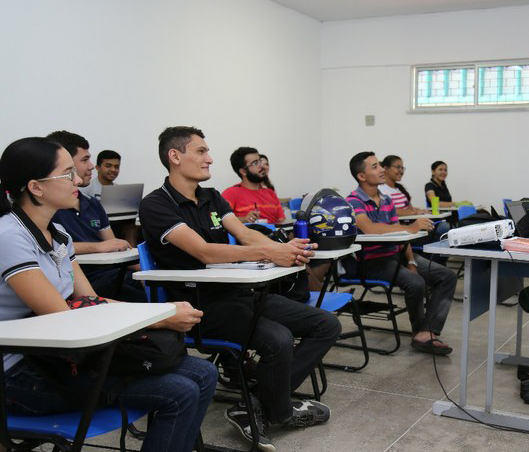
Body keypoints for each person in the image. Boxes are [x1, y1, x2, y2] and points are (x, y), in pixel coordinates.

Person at [0, 136, 217, 452]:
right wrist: (161, 318)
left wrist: (163, 311)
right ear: (36, 187)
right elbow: (59, 313)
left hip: (60, 359)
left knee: (204, 371)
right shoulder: (9, 236)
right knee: (178, 391)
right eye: (67, 173)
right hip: (20, 373)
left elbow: (89, 301)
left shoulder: (58, 235)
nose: (77, 179)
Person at [140, 126, 340, 449]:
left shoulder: (211, 197)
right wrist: (269, 251)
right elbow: (204, 251)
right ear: (175, 156)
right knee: (279, 339)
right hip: (198, 307)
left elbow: (246, 234)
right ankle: (276, 409)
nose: (210, 159)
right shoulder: (156, 205)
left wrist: (285, 250)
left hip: (237, 294)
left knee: (326, 324)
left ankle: (257, 406)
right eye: (201, 152)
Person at [346, 152, 457, 355]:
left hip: (395, 256)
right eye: (374, 167)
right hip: (372, 262)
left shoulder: (386, 199)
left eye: (380, 165)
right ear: (361, 176)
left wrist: (412, 261)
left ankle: (427, 331)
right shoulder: (353, 202)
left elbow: (400, 233)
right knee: (416, 283)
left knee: (447, 276)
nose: (381, 169)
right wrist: (411, 228)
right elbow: (369, 228)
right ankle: (420, 333)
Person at [46, 131, 146, 302]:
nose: (92, 166)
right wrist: (98, 247)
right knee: (142, 297)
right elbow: (51, 248)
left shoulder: (92, 203)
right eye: (85, 160)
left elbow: (115, 246)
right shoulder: (48, 209)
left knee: (158, 287)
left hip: (111, 274)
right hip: (89, 278)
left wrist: (146, 271)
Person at [222, 147, 286, 224]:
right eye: (255, 163)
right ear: (243, 171)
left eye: (260, 161)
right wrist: (244, 219)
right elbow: (220, 219)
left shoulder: (271, 193)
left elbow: (282, 222)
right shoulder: (231, 193)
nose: (261, 165)